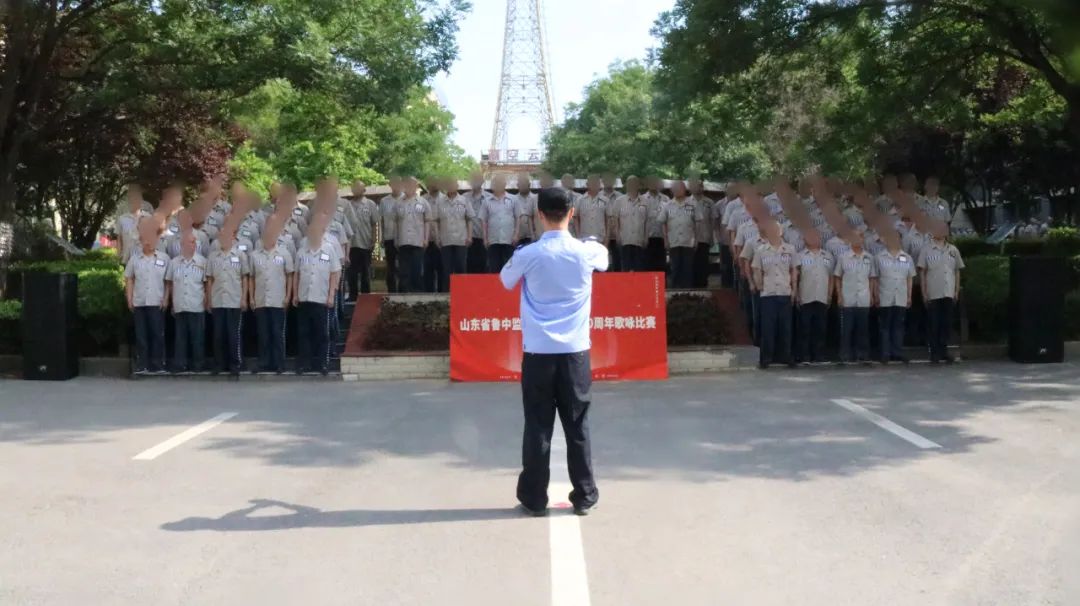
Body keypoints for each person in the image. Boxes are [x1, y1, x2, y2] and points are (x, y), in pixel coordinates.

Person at [499, 187, 608, 517]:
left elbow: (505, 281)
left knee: (537, 426)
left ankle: (533, 497)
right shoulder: (587, 252)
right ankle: (585, 495)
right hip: (575, 352)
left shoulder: (528, 254)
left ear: (539, 215)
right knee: (578, 426)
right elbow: (603, 258)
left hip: (538, 352)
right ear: (572, 213)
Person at [293, 213, 342, 375]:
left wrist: (331, 296)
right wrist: (295, 294)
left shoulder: (329, 250)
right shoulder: (302, 251)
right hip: (304, 297)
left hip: (321, 299)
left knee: (322, 334)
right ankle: (304, 364)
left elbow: (335, 273)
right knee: (304, 333)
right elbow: (297, 274)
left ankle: (323, 364)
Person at [125, 218, 171, 374]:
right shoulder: (135, 259)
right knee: (141, 336)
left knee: (157, 335)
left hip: (156, 302)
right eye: (145, 239)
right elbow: (129, 279)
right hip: (139, 302)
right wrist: (129, 298)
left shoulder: (164, 259)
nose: (148, 242)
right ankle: (142, 364)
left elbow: (168, 282)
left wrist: (166, 298)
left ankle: (158, 364)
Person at [250, 215, 295, 374]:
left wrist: (288, 296)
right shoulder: (255, 255)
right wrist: (251, 297)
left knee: (277, 333)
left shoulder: (284, 253)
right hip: (261, 299)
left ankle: (279, 363)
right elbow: (252, 278)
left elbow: (290, 275)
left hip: (278, 299)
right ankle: (264, 363)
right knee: (263, 334)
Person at [206, 221, 251, 376]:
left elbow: (245, 278)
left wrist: (244, 298)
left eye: (227, 235)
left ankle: (235, 364)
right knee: (218, 335)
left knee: (234, 334)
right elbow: (210, 279)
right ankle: (219, 364)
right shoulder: (213, 257)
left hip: (234, 300)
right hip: (218, 300)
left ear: (233, 237)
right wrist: (209, 299)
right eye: (222, 235)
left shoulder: (240, 255)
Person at [752, 220, 798, 368]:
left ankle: (786, 356)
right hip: (768, 293)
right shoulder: (761, 250)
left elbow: (794, 270)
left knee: (785, 327)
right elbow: (756, 268)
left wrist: (794, 290)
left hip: (785, 291)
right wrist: (759, 284)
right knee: (768, 328)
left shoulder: (790, 249)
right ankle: (766, 358)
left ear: (781, 232)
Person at [917, 221, 965, 364]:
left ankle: (943, 351)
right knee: (934, 323)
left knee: (946, 324)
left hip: (948, 291)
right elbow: (922, 272)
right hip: (933, 291)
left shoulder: (953, 250)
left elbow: (956, 271)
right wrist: (924, 292)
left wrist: (956, 290)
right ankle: (934, 352)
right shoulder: (926, 249)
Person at [165, 231, 208, 374]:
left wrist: (207, 301)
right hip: (180, 305)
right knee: (180, 338)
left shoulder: (202, 262)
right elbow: (170, 284)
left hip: (197, 305)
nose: (192, 245)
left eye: (194, 242)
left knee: (197, 338)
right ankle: (180, 364)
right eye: (189, 242)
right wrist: (170, 303)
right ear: (182, 245)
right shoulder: (174, 263)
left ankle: (198, 365)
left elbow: (207, 284)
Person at [833, 232, 877, 365]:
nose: (857, 239)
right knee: (847, 329)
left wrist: (872, 295)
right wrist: (839, 295)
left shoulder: (869, 257)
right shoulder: (843, 257)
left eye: (860, 237)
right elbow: (837, 277)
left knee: (863, 329)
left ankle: (862, 354)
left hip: (863, 298)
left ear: (863, 239)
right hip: (848, 298)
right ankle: (845, 354)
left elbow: (872, 278)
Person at [875, 227, 916, 364]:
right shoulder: (879, 257)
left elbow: (910, 277)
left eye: (896, 238)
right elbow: (875, 278)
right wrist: (876, 295)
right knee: (885, 326)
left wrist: (909, 295)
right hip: (884, 295)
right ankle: (885, 353)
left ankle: (897, 352)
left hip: (901, 296)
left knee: (898, 326)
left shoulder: (907, 257)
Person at [796, 230, 834, 364]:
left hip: (822, 296)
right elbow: (796, 276)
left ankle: (819, 356)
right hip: (806, 295)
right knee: (805, 328)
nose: (814, 238)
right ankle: (805, 356)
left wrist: (830, 294)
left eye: (816, 236)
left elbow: (831, 277)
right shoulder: (800, 256)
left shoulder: (828, 256)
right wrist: (797, 294)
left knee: (821, 328)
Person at [436, 177, 476, 290]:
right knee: (446, 269)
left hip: (461, 240)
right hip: (446, 240)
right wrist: (438, 238)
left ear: (457, 187)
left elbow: (469, 219)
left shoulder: (464, 201)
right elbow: (437, 221)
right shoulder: (440, 202)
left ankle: (462, 292)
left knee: (461, 268)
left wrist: (469, 236)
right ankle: (446, 295)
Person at [395, 177, 432, 292]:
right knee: (403, 271)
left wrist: (426, 238)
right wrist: (396, 239)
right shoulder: (398, 203)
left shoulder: (423, 202)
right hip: (403, 241)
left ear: (416, 187)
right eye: (407, 184)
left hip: (418, 241)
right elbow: (396, 222)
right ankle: (403, 294)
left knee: (416, 269)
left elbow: (427, 221)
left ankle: (417, 293)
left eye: (411, 184)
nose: (408, 187)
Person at [659, 180, 697, 289]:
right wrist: (665, 239)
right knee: (674, 267)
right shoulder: (667, 205)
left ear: (685, 190)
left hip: (688, 241)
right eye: (674, 188)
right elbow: (663, 223)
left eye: (680, 188)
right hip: (673, 241)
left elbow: (697, 223)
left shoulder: (693, 204)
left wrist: (697, 239)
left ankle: (688, 292)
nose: (677, 190)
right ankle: (674, 292)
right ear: (671, 191)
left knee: (688, 268)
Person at [347, 180, 379, 300]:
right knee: (352, 272)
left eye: (358, 188)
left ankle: (366, 296)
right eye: (354, 187)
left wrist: (375, 241)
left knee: (365, 271)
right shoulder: (348, 205)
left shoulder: (370, 204)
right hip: (351, 244)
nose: (356, 189)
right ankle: (353, 295)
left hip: (365, 243)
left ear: (364, 190)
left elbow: (375, 224)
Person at [481, 175, 517, 272]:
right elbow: (484, 220)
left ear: (505, 184)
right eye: (495, 183)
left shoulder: (513, 199)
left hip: (509, 239)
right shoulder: (486, 201)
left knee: (509, 267)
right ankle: (494, 287)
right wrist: (485, 238)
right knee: (494, 267)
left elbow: (518, 218)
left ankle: (507, 287)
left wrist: (516, 235)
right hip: (493, 239)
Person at [613, 176, 648, 271]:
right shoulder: (619, 201)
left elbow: (646, 221)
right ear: (626, 185)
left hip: (639, 239)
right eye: (630, 183)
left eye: (634, 182)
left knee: (639, 266)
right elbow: (616, 220)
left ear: (638, 185)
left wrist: (646, 237)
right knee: (625, 266)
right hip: (625, 239)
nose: (632, 185)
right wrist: (617, 236)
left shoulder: (645, 201)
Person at [463, 171, 492, 274]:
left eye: (478, 179)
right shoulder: (464, 198)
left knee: (484, 267)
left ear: (482, 181)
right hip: (468, 239)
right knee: (469, 267)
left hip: (485, 238)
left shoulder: (490, 198)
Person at [116, 183, 150, 265]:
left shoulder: (148, 212)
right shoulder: (122, 214)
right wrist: (119, 254)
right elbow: (119, 237)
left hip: (144, 256)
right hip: (127, 255)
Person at [423, 177, 446, 292]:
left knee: (442, 269)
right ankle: (428, 296)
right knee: (427, 270)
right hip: (427, 241)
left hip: (442, 241)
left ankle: (443, 295)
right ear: (427, 185)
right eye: (432, 182)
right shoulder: (422, 200)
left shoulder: (445, 200)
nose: (435, 184)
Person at [689, 178, 714, 288]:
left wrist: (712, 237)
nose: (697, 188)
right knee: (691, 265)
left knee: (703, 264)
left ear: (702, 187)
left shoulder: (709, 202)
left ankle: (703, 287)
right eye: (694, 185)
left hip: (704, 237)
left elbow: (713, 220)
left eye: (699, 185)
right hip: (690, 240)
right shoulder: (686, 202)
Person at [379, 176, 402, 292]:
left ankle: (404, 291)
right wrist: (382, 237)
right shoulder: (384, 201)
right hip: (389, 237)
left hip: (404, 239)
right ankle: (391, 291)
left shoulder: (405, 198)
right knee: (390, 267)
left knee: (403, 267)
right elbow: (382, 220)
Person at [643, 176, 670, 272]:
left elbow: (668, 218)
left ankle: (661, 285)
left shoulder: (666, 199)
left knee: (661, 265)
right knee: (647, 264)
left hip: (662, 237)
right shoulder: (642, 199)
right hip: (647, 236)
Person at [574, 175, 608, 242]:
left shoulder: (605, 201)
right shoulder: (580, 200)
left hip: (600, 238)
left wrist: (607, 241)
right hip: (584, 239)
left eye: (597, 183)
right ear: (587, 184)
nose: (594, 185)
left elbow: (608, 221)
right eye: (592, 183)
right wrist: (578, 236)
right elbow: (575, 218)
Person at [601, 172, 621, 272]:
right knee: (601, 261)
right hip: (602, 235)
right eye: (606, 179)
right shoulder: (598, 196)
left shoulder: (621, 197)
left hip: (617, 234)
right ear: (602, 181)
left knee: (618, 261)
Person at [513, 172, 538, 246]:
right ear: (517, 185)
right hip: (517, 237)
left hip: (534, 236)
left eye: (524, 184)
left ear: (529, 185)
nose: (522, 186)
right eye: (520, 184)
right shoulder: (513, 199)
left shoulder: (536, 198)